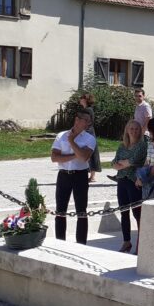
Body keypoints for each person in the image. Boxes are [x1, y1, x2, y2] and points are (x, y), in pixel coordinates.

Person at [51, 108, 96, 244]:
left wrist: (71, 141)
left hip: (80, 176)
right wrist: (75, 154)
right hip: (64, 175)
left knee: (81, 211)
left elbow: (83, 158)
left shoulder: (90, 138)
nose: (88, 124)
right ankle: (60, 242)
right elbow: (54, 157)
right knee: (60, 210)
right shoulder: (61, 135)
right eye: (86, 121)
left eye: (89, 122)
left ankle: (81, 243)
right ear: (77, 120)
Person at [111, 120, 148, 253]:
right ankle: (126, 242)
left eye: (136, 129)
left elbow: (133, 161)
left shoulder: (142, 146)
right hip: (122, 181)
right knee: (123, 212)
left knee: (137, 212)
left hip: (133, 182)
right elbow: (114, 163)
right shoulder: (122, 146)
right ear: (127, 130)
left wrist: (124, 163)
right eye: (131, 128)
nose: (133, 131)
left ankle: (141, 243)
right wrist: (124, 163)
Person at [79, 93, 103, 183]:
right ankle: (89, 175)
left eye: (82, 97)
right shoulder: (86, 110)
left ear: (86, 99)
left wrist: (83, 133)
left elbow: (87, 123)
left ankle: (92, 176)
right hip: (86, 133)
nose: (80, 99)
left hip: (88, 133)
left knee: (91, 154)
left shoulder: (88, 110)